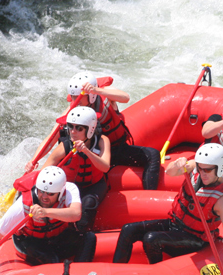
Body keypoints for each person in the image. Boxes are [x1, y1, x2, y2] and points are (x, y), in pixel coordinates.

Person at [113, 143, 223, 275]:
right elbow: (169, 172)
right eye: (200, 168)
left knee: (151, 239)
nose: (203, 173)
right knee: (128, 229)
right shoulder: (195, 167)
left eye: (208, 170)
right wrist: (177, 164)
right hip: (175, 224)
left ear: (220, 168)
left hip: (195, 238)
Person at [26, 71, 161, 190]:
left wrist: (97, 91)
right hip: (91, 155)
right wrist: (33, 161)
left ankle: (149, 194)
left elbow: (125, 98)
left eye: (78, 96)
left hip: (116, 149)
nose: (74, 100)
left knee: (153, 155)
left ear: (90, 96)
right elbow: (51, 138)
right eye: (72, 96)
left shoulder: (105, 95)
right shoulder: (72, 111)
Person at [0, 166, 95, 275]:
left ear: (60, 193)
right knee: (52, 259)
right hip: (30, 242)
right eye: (41, 191)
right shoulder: (23, 206)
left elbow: (76, 214)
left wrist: (45, 212)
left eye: (50, 194)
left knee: (89, 238)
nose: (44, 197)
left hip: (57, 236)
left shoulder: (70, 190)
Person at [42, 106, 110, 233]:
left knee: (88, 203)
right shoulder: (65, 146)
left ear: (90, 129)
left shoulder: (102, 141)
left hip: (94, 186)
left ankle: (82, 235)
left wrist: (86, 151)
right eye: (70, 126)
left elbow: (105, 167)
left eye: (79, 128)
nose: (73, 131)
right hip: (70, 187)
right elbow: (45, 169)